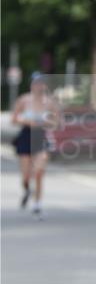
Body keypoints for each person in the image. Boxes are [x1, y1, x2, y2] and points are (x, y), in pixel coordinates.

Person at [11, 72, 60, 219]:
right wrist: (27, 122)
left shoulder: (49, 102)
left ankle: (37, 204)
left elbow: (56, 122)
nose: (38, 86)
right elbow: (14, 120)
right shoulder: (24, 100)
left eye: (41, 83)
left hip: (40, 136)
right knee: (26, 176)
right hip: (26, 135)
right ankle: (26, 190)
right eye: (36, 83)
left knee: (38, 172)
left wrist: (45, 123)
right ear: (31, 84)